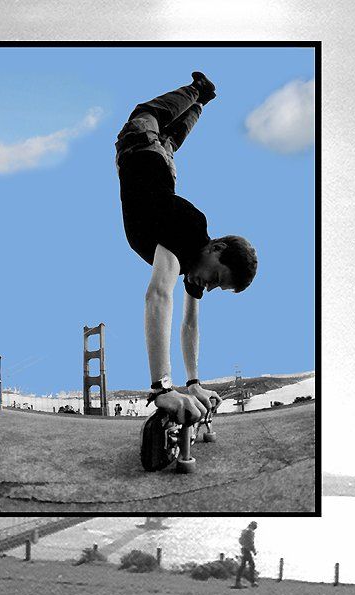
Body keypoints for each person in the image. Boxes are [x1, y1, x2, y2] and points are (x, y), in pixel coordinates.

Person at [115, 72, 257, 430]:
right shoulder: (190, 231)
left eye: (215, 288)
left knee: (174, 137)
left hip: (162, 160)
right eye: (216, 278)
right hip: (140, 144)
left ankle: (203, 101)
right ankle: (196, 90)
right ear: (216, 247)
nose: (206, 286)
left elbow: (190, 321)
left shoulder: (196, 268)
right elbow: (159, 294)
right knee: (149, 112)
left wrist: (193, 383)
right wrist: (162, 387)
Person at [233, 521, 259, 588]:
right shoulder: (250, 532)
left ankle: (238, 582)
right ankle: (252, 582)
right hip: (247, 550)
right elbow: (251, 543)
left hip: (244, 549)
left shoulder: (244, 531)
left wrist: (244, 545)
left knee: (243, 566)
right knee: (251, 565)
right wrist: (254, 551)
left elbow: (240, 540)